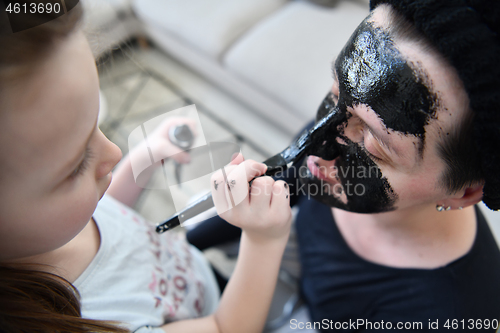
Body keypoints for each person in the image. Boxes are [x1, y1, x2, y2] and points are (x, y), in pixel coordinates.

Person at [187, 0, 500, 331]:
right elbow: (283, 181)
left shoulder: (446, 314)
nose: (314, 147)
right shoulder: (336, 128)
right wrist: (192, 242)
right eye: (336, 92)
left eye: (374, 146)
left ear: (463, 194)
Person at [0, 3, 292, 333]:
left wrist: (144, 158)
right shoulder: (92, 322)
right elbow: (227, 326)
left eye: (96, 127)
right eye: (77, 164)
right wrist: (265, 239)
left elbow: (107, 211)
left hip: (193, 274)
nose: (113, 151)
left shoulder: (47, 227)